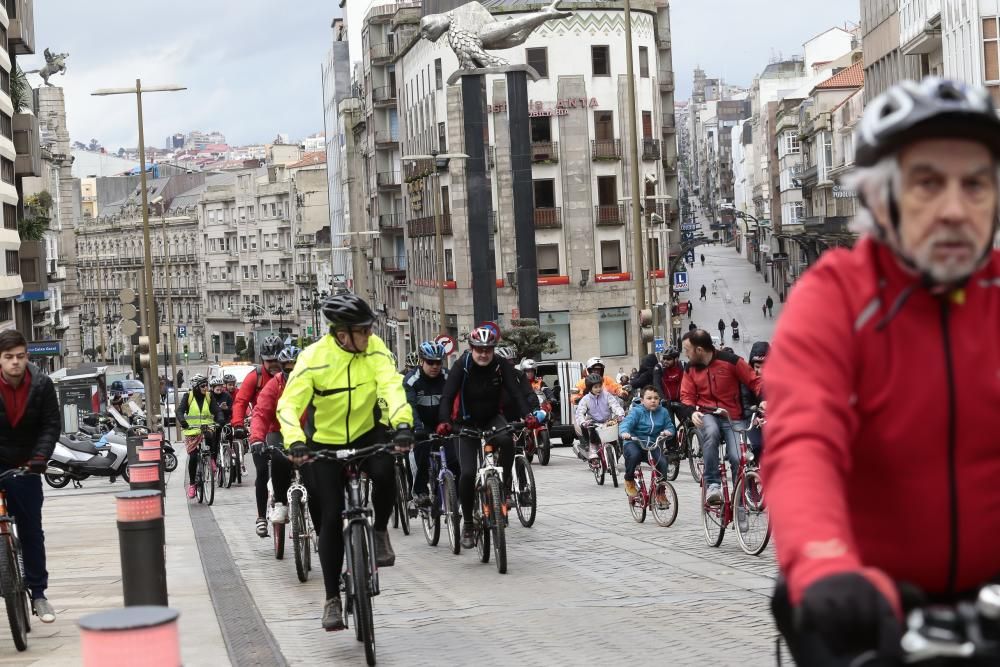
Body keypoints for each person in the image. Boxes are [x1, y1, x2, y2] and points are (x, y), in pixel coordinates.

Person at [766, 78, 1000, 663]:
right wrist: (821, 560)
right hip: (870, 600)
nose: (954, 209)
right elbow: (803, 442)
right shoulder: (835, 298)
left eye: (975, 185)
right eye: (927, 183)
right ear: (879, 198)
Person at [277, 293, 414, 632]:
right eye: (363, 331)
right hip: (325, 442)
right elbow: (288, 405)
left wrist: (401, 425)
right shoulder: (314, 358)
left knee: (386, 472)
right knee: (330, 515)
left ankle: (380, 531)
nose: (370, 336)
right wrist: (294, 440)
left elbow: (392, 387)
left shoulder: (376, 350)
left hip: (368, 433)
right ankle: (331, 600)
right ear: (342, 334)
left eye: (370, 330)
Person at [436, 326, 540, 550]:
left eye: (488, 350)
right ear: (472, 348)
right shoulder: (462, 365)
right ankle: (469, 524)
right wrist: (444, 421)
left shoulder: (501, 366)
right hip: (465, 421)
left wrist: (527, 415)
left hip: (492, 417)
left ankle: (501, 490)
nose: (483, 354)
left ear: (493, 350)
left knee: (506, 440)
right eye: (479, 350)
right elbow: (447, 395)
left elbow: (515, 392)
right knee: (467, 473)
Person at [0, 330, 59, 623]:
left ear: (27, 356)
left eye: (20, 357)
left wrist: (39, 459)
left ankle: (38, 594)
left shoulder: (42, 385)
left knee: (31, 530)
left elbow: (50, 425)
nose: (15, 363)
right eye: (9, 357)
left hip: (26, 465)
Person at [679, 329, 762, 507]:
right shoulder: (690, 368)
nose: (685, 354)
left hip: (733, 416)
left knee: (737, 456)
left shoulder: (731, 361)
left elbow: (755, 381)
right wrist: (691, 412)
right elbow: (686, 395)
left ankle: (739, 502)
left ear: (699, 350)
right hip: (707, 413)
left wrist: (764, 400)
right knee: (711, 431)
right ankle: (713, 485)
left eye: (687, 349)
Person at [231, 334, 284, 538]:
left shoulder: (290, 375)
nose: (272, 364)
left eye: (276, 360)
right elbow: (240, 401)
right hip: (262, 430)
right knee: (262, 471)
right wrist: (237, 424)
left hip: (287, 430)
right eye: (268, 360)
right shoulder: (256, 377)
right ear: (262, 359)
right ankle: (261, 517)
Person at [249, 346, 300, 532]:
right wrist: (256, 438)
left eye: (296, 366)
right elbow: (260, 412)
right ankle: (279, 504)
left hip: (305, 432)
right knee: (277, 459)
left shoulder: (312, 382)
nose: (292, 371)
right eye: (287, 367)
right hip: (278, 431)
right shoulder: (274, 385)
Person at [404, 341, 455, 508]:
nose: (435, 366)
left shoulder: (447, 377)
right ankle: (420, 491)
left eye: (438, 362)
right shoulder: (412, 380)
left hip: (443, 423)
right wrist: (417, 428)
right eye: (430, 362)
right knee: (422, 450)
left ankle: (454, 495)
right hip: (422, 423)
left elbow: (454, 402)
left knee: (454, 457)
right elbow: (410, 407)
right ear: (421, 361)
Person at [619, 386, 676, 501]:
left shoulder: (663, 412)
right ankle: (629, 479)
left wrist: (669, 431)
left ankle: (660, 492)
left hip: (652, 444)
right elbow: (626, 423)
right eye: (649, 398)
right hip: (634, 442)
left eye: (656, 398)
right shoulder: (637, 411)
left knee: (663, 463)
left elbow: (670, 426)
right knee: (634, 456)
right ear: (642, 400)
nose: (653, 400)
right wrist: (625, 432)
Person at [178, 374, 224, 499]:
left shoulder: (209, 397)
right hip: (191, 431)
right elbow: (180, 411)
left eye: (207, 385)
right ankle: (192, 484)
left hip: (206, 428)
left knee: (212, 437)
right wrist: (183, 422)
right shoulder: (188, 397)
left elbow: (217, 411)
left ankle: (212, 460)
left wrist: (219, 420)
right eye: (203, 386)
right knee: (193, 458)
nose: (206, 388)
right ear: (196, 387)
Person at [573, 373, 625, 460]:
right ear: (590, 388)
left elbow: (615, 406)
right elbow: (580, 412)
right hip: (593, 422)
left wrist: (620, 414)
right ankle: (592, 449)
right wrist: (582, 422)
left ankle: (618, 449)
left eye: (600, 386)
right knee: (591, 430)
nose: (598, 389)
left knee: (619, 433)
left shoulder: (607, 395)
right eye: (595, 387)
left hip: (608, 421)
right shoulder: (585, 399)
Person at [741, 341, 767, 461]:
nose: (760, 371)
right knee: (758, 445)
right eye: (757, 367)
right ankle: (752, 474)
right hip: (752, 418)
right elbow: (745, 403)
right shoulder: (746, 380)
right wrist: (755, 417)